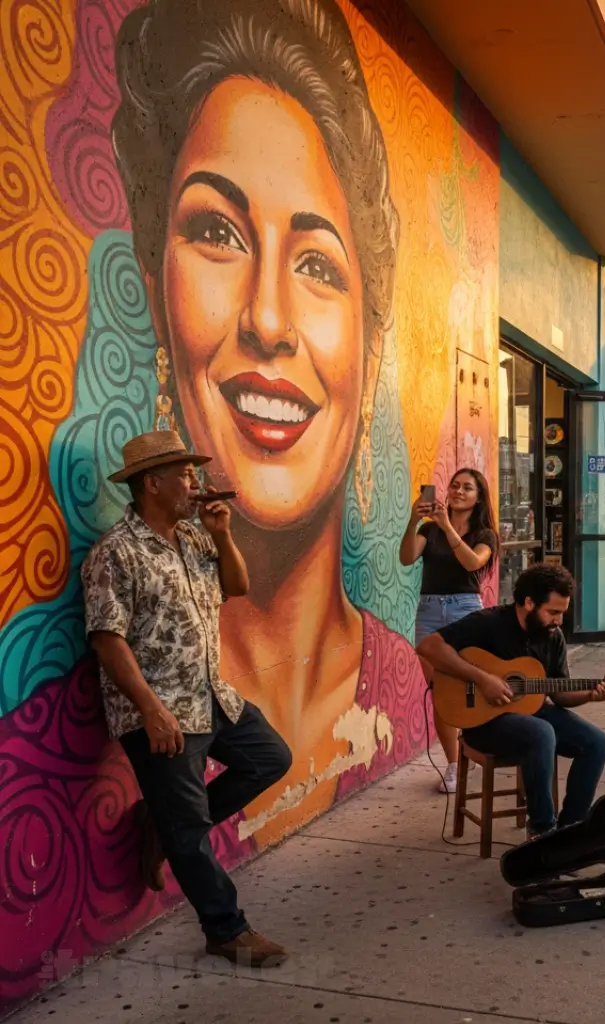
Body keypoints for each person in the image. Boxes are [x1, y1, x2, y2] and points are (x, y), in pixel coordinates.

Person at [109, 0, 421, 845]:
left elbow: (230, 586)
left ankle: (183, 858)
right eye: (217, 232)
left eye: (318, 263)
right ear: (153, 286)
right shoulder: (131, 554)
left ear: (372, 331)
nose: (270, 322)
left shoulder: (403, 680)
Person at [82, 430, 293, 967]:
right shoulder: (116, 552)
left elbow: (237, 587)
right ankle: (226, 928)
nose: (196, 484)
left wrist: (222, 535)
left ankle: (165, 825)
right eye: (185, 475)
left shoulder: (195, 537)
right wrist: (152, 710)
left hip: (213, 697)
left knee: (271, 758)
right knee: (191, 834)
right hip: (162, 713)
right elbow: (107, 639)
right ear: (152, 483)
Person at [416, 563, 605, 837]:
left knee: (595, 742)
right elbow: (428, 647)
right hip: (483, 723)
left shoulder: (552, 637)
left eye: (562, 613)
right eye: (553, 612)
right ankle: (542, 833)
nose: (559, 621)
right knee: (541, 732)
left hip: (531, 714)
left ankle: (570, 833)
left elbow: (559, 694)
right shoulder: (488, 623)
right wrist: (483, 680)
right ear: (529, 602)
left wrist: (591, 695)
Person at [400, 469, 499, 793]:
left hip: (465, 611)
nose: (457, 491)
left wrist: (446, 527)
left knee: (470, 689)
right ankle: (454, 765)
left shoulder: (485, 534)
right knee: (441, 694)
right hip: (428, 612)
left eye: (467, 487)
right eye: (454, 485)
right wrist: (413, 521)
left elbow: (472, 563)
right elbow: (406, 557)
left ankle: (478, 752)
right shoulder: (431, 530)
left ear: (478, 496)